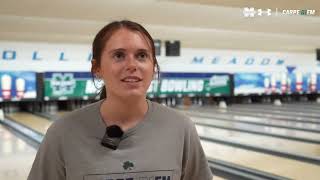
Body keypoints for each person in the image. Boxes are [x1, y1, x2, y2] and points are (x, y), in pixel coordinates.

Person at [28, 20, 213, 180]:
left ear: (153, 67)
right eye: (119, 55)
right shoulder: (62, 133)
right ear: (97, 68)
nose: (132, 65)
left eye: (141, 56)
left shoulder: (181, 128)